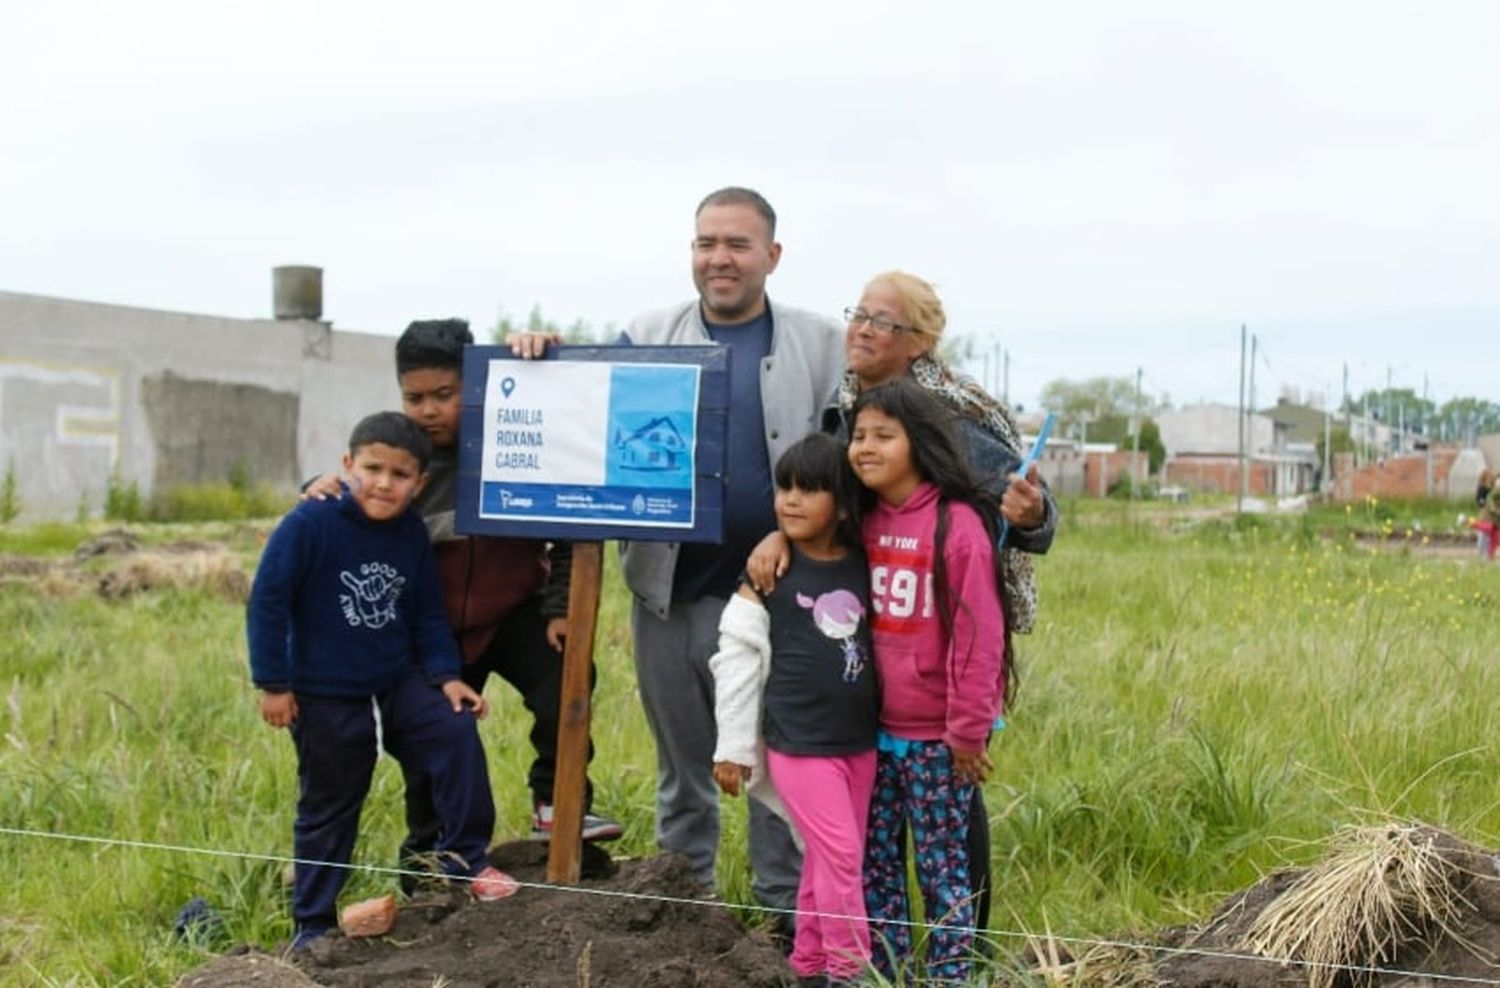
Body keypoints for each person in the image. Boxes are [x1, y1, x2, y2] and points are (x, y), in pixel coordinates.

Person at [510, 187, 845, 917]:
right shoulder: (646, 333)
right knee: (683, 769)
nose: (719, 258)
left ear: (772, 257)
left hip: (780, 600)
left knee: (776, 765)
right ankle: (683, 914)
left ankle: (782, 917)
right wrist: (543, 361)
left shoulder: (822, 344)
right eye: (706, 243)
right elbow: (581, 441)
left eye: (737, 244)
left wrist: (790, 533)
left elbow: (852, 458)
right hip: (672, 596)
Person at [750, 270, 1055, 943]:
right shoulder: (847, 404)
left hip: (947, 635)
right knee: (877, 845)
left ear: (918, 342)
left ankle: (958, 956)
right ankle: (879, 957)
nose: (861, 328)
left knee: (948, 832)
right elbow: (822, 495)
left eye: (882, 320)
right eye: (857, 312)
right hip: (877, 670)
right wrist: (783, 531)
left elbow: (1029, 512)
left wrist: (1032, 514)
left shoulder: (954, 414)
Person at [304, 319, 621, 860]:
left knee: (564, 677)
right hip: (432, 632)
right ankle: (430, 851)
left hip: (514, 611)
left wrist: (560, 605)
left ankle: (556, 803)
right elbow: (347, 504)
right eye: (416, 397)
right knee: (430, 737)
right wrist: (314, 489)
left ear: (475, 382)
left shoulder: (520, 440)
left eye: (445, 395)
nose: (429, 410)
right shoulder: (403, 464)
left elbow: (572, 519)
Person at [247, 411, 519, 950]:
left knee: (453, 729)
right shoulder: (310, 523)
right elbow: (268, 602)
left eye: (400, 475)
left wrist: (446, 677)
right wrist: (273, 683)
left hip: (395, 678)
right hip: (322, 689)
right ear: (348, 466)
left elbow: (426, 613)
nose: (383, 483)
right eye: (372, 468)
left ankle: (467, 861)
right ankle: (315, 922)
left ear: (419, 484)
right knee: (332, 795)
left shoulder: (410, 532)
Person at [847, 379, 1006, 984]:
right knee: (875, 862)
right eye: (859, 435)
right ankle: (888, 972)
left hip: (940, 739)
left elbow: (979, 637)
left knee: (942, 869)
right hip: (872, 733)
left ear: (921, 444)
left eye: (884, 436)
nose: (865, 447)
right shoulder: (859, 519)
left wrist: (968, 730)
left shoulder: (955, 524)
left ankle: (948, 977)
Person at [709, 433, 879, 984]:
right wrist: (733, 748)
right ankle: (851, 974)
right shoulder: (768, 574)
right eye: (785, 487)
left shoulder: (864, 563)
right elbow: (735, 660)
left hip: (859, 742)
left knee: (824, 862)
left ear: (844, 502)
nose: (791, 500)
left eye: (810, 490)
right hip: (798, 744)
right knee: (841, 860)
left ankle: (806, 965)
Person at [1476, 469, 1495, 560]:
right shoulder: (1482, 488)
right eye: (1489, 477)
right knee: (1483, 534)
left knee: (1489, 534)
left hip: (1491, 514)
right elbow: (1479, 501)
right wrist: (1486, 504)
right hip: (1485, 513)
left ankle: (1487, 554)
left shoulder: (1492, 488)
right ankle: (1481, 554)